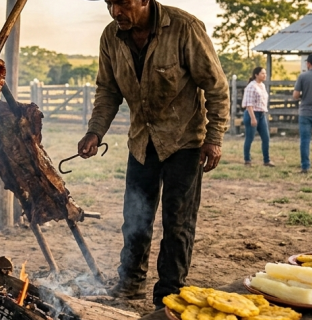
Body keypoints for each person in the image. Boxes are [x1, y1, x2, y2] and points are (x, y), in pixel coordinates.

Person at [77, 0, 229, 309]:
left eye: (123, 4)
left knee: (178, 222)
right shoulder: (110, 37)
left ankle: (169, 295)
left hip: (184, 142)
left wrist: (214, 138)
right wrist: (95, 131)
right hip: (141, 142)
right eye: (109, 4)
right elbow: (107, 90)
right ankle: (130, 283)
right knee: (135, 218)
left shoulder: (185, 28)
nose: (115, 12)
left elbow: (216, 87)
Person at [243, 67, 273, 167]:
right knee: (250, 137)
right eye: (262, 73)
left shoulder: (262, 86)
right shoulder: (251, 86)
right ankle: (247, 159)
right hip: (253, 113)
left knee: (266, 138)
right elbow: (249, 103)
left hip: (261, 114)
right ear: (256, 75)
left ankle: (266, 160)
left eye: (265, 73)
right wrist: (252, 117)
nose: (265, 75)